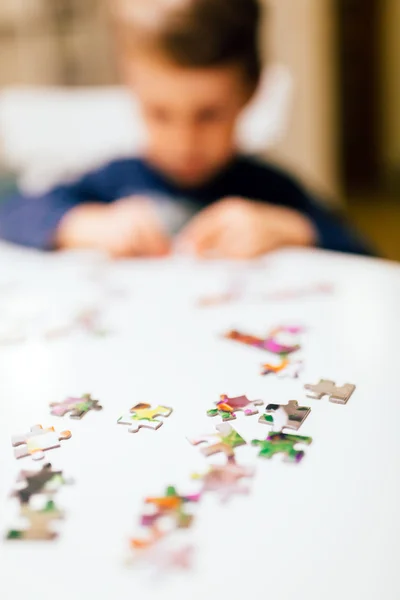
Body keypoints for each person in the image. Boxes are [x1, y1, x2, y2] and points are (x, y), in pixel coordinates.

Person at [0, 0, 372, 258]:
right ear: (132, 88)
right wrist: (77, 223)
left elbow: (364, 256)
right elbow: (11, 213)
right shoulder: (113, 181)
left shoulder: (270, 191)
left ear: (251, 91)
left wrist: (293, 229)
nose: (184, 143)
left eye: (208, 115)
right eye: (160, 113)